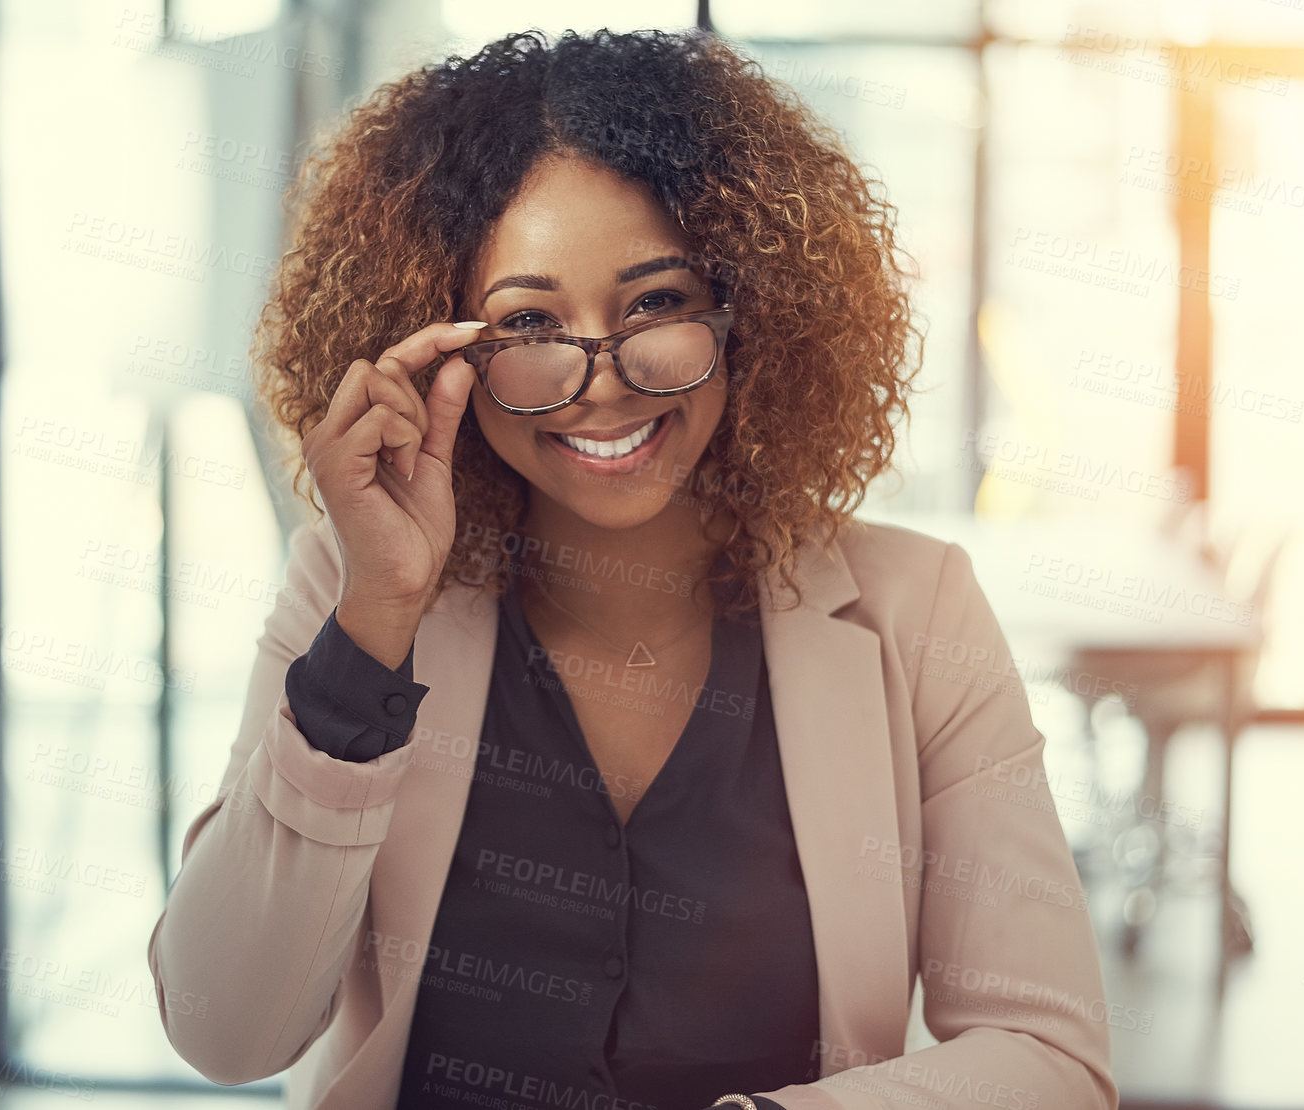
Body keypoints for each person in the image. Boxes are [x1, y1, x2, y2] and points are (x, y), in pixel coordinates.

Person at [147, 26, 1118, 1110]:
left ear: (748, 308)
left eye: (654, 302)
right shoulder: (349, 589)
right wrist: (373, 622)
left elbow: (1048, 1062)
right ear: (438, 354)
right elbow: (225, 1032)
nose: (598, 382)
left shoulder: (915, 612)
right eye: (527, 322)